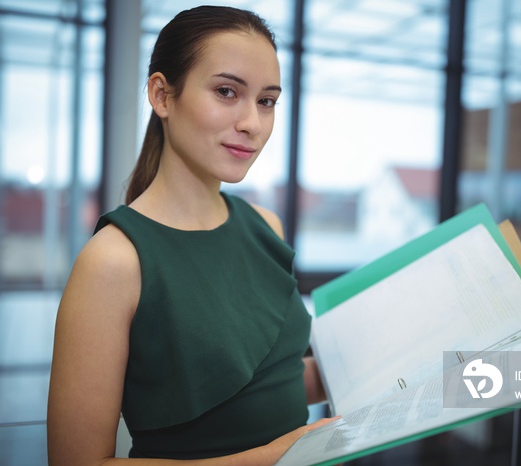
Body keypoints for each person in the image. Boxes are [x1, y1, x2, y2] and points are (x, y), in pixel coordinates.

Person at [47, 5, 337, 465]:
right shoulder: (114, 262)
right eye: (227, 92)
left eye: (266, 101)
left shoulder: (265, 227)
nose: (253, 124)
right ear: (162, 95)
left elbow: (253, 389)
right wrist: (272, 457)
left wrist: (390, 353)